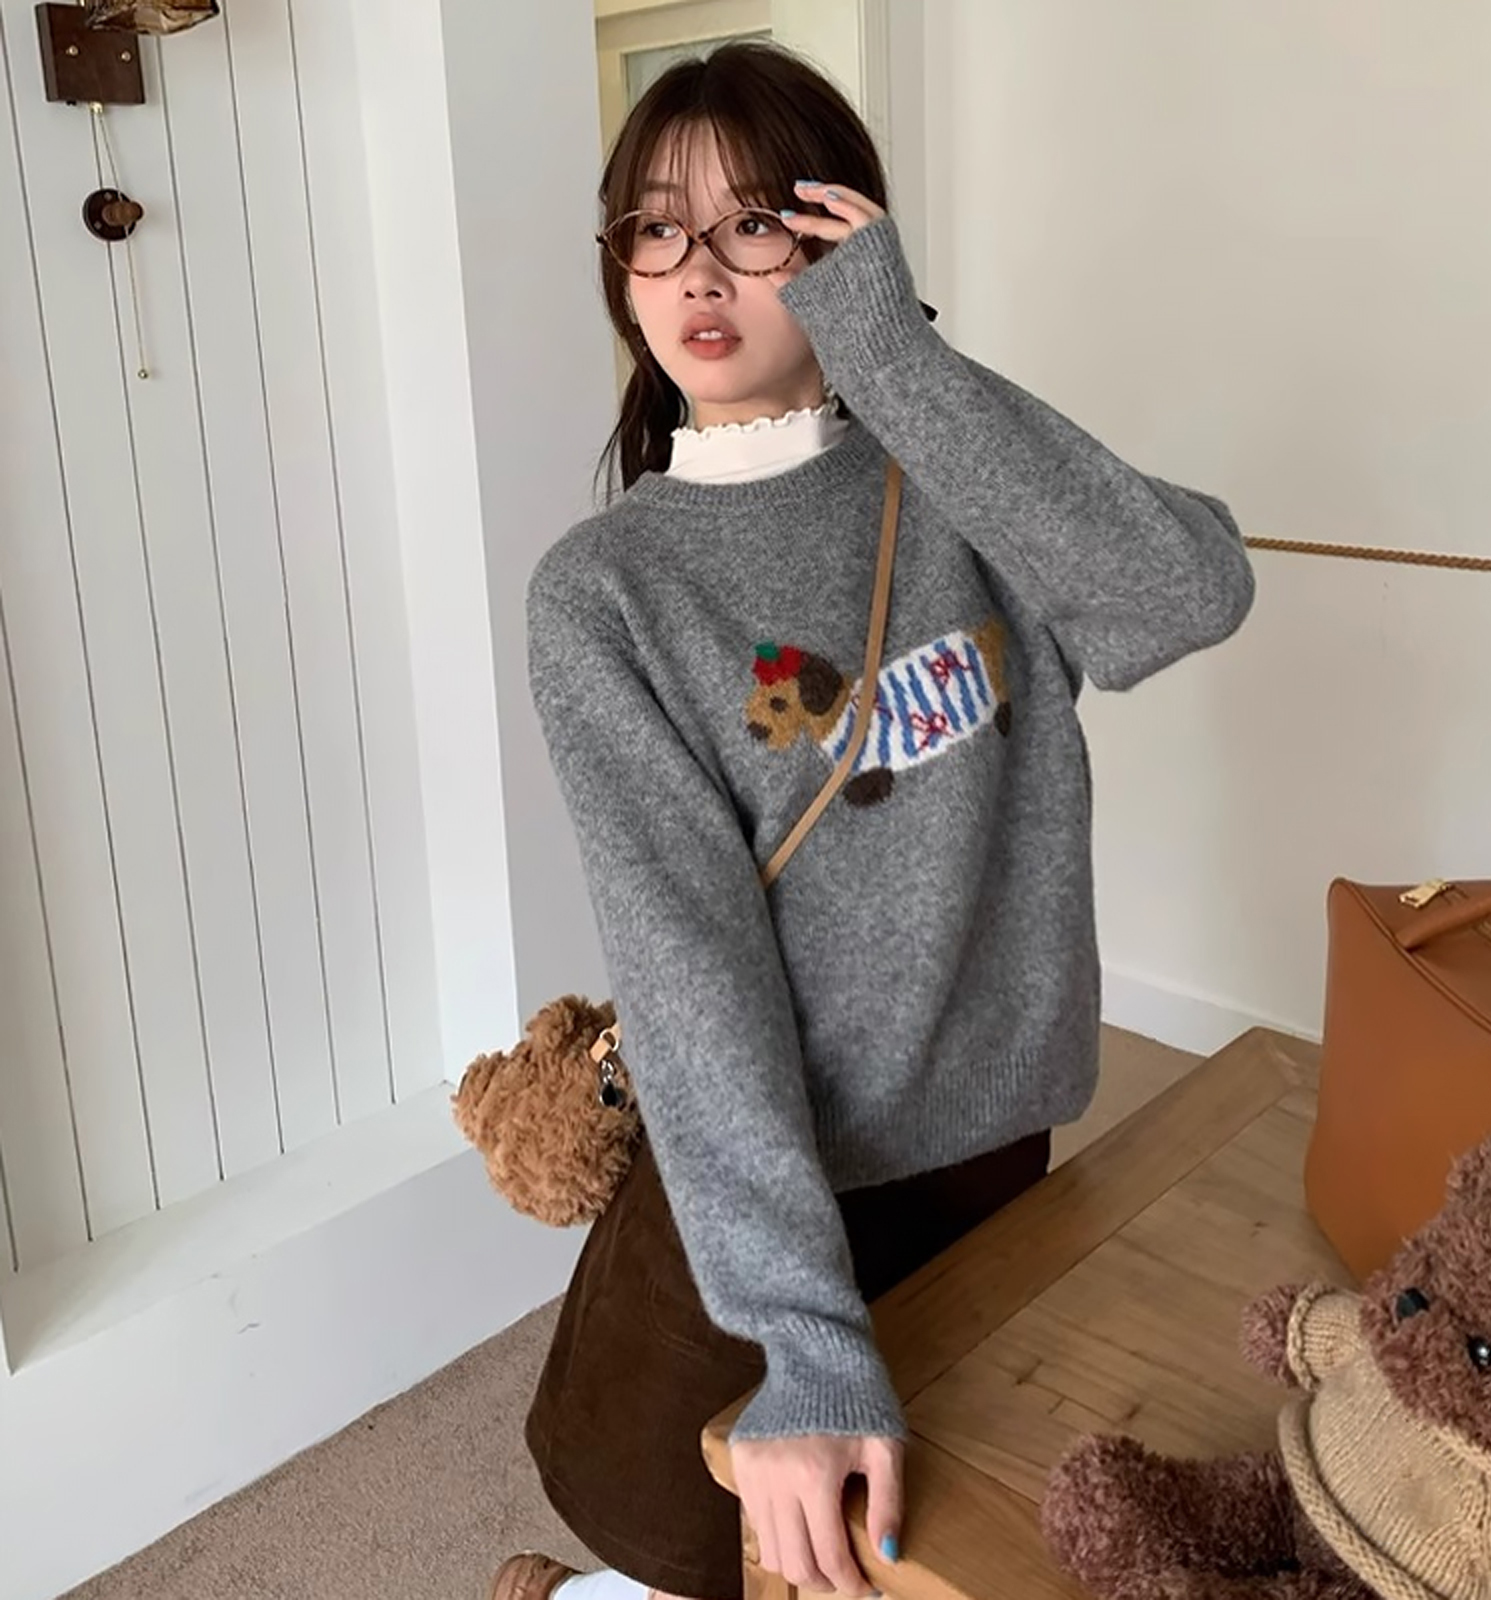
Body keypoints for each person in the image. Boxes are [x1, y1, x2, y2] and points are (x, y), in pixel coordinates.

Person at [493, 39, 1255, 1600]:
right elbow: (691, 966)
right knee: (715, 1541)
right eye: (656, 227)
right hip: (778, 1177)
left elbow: (1187, 591)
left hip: (993, 1134)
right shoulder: (605, 593)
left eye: (754, 224)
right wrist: (801, 1334)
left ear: (844, 240)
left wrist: (895, 358)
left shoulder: (961, 479)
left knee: (938, 1543)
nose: (699, 272)